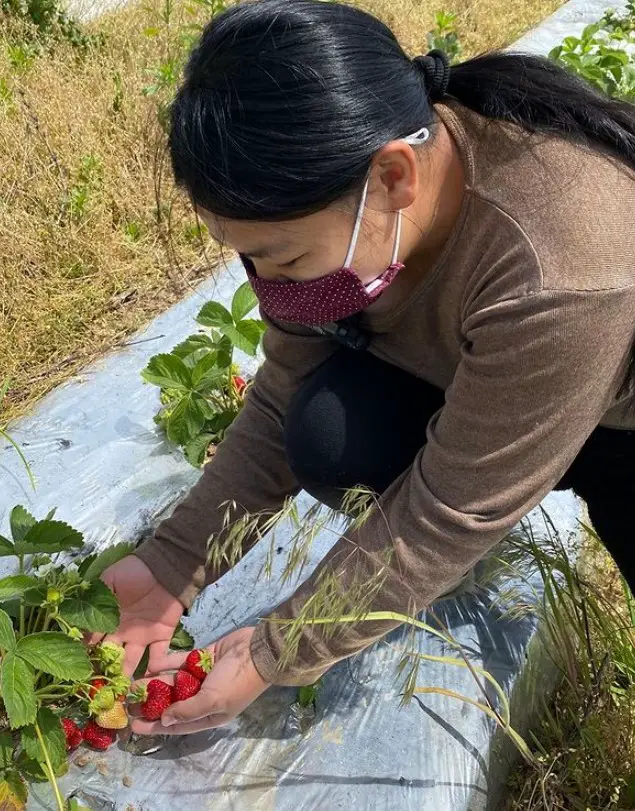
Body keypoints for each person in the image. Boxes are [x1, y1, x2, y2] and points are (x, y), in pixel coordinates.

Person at [95, 0, 635, 735]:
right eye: (246, 254)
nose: (268, 281)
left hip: (619, 420)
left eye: (282, 255)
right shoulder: (342, 216)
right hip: (497, 383)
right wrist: (170, 566)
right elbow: (283, 393)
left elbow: (451, 507)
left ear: (392, 176)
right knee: (327, 430)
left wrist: (279, 647)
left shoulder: (559, 264)